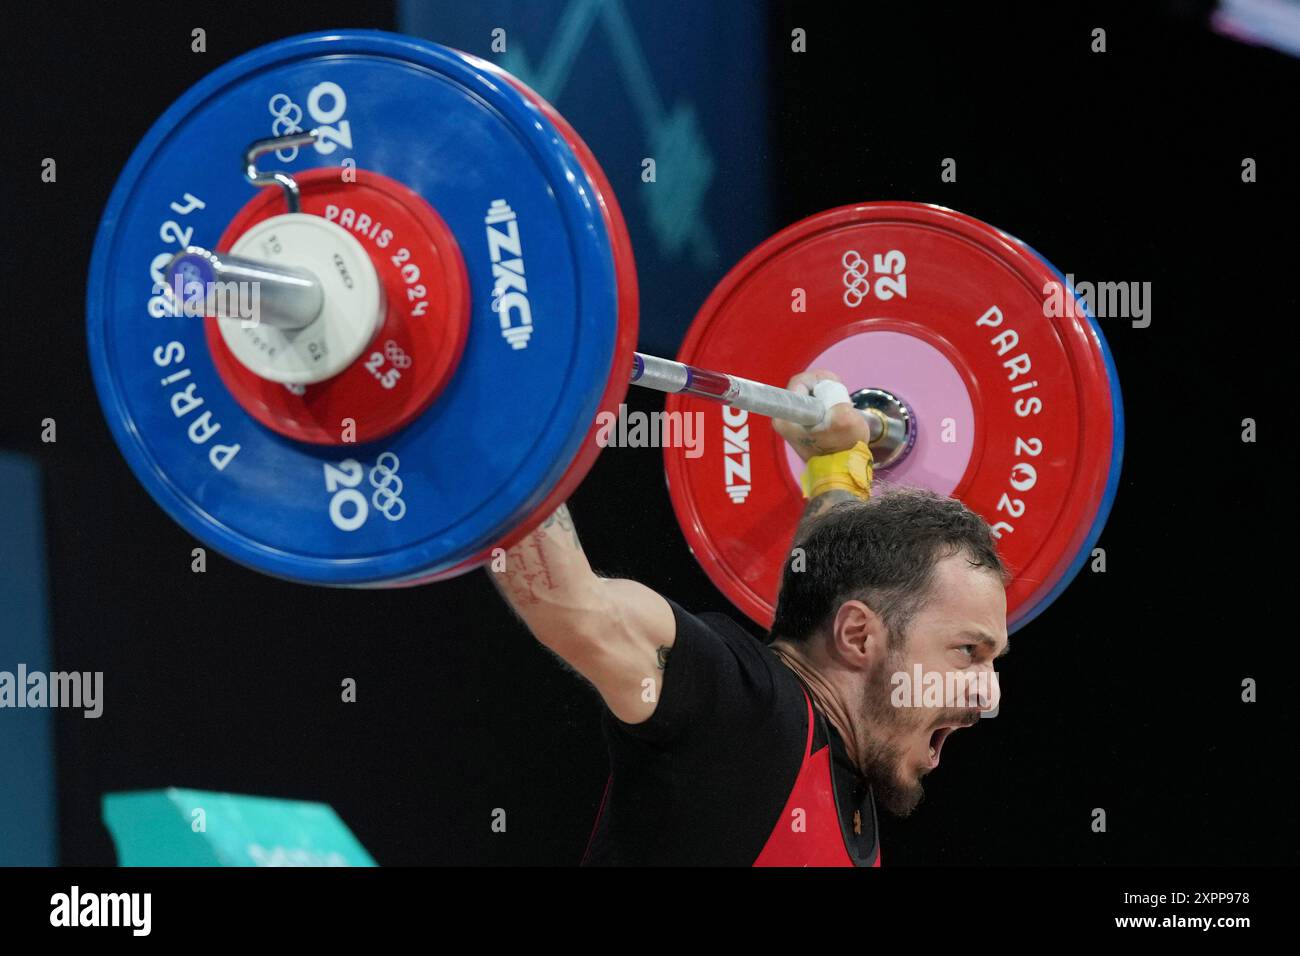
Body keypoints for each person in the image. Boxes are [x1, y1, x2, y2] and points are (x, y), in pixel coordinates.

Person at [490, 370, 1010, 865]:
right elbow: (575, 610)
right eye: (969, 652)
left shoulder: (842, 770)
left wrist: (836, 465)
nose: (989, 697)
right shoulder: (745, 713)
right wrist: (485, 412)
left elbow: (828, 581)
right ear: (858, 637)